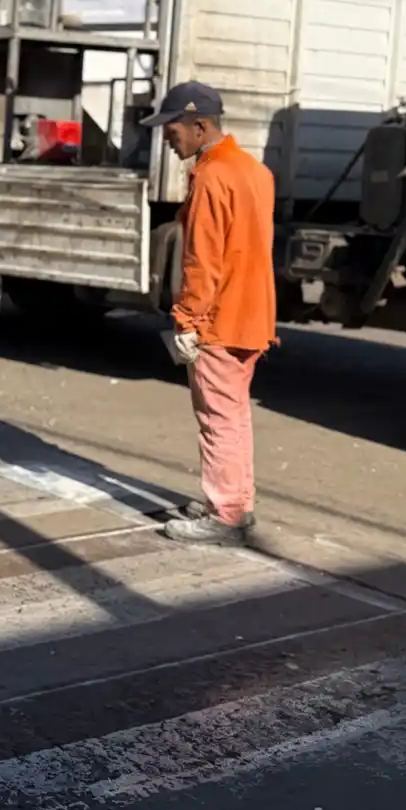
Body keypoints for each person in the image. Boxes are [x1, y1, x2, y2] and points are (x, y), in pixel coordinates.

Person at [141, 81, 276, 546]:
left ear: (200, 127)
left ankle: (226, 515)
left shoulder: (211, 176)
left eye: (173, 129)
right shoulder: (255, 171)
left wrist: (188, 321)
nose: (167, 137)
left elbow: (203, 260)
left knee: (217, 417)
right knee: (233, 414)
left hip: (220, 316)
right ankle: (236, 501)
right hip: (253, 313)